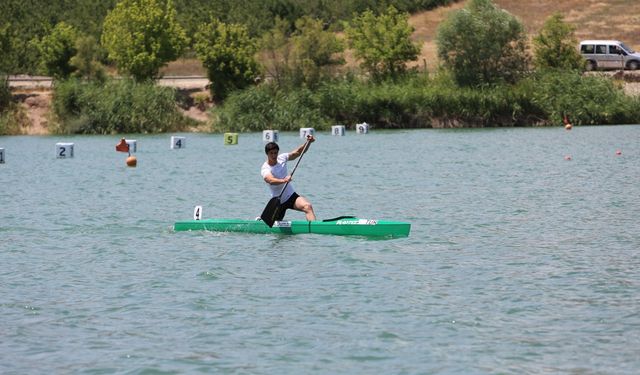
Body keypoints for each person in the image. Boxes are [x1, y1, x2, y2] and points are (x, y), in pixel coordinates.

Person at [261, 135, 316, 221]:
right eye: (271, 153)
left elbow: (298, 152)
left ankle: (314, 229)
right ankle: (261, 221)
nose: (274, 155)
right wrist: (284, 180)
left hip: (290, 196)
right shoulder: (266, 168)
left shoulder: (282, 158)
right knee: (275, 224)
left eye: (275, 152)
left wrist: (308, 142)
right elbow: (270, 180)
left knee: (307, 206)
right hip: (278, 202)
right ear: (267, 154)